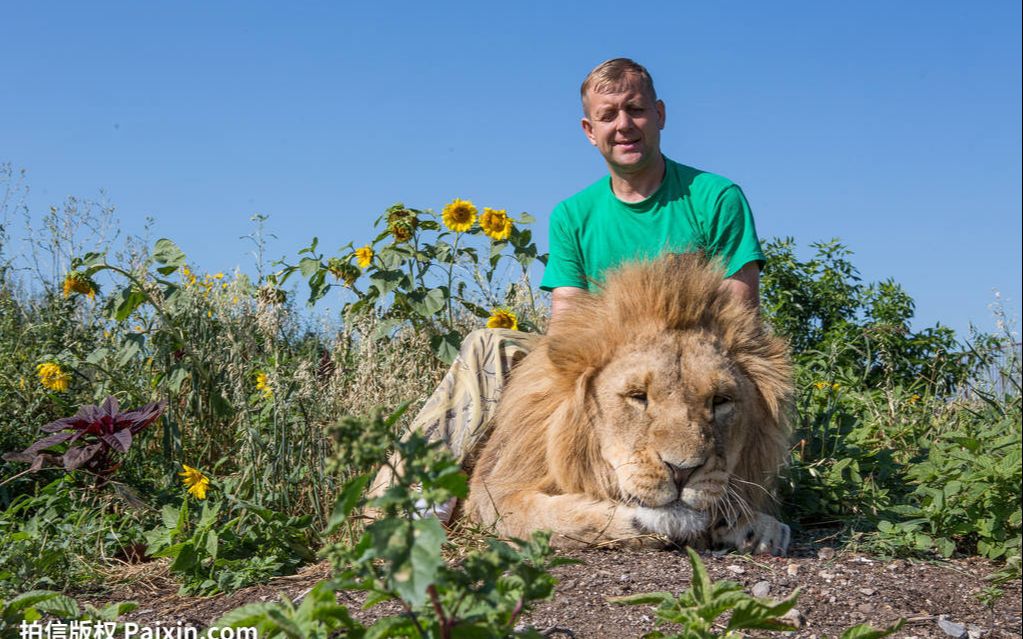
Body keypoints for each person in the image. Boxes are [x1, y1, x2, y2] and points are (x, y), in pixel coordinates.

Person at [369, 58, 765, 517]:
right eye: (608, 115)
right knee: (487, 344)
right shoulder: (574, 215)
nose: (624, 125)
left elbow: (739, 323)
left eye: (635, 110)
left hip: (689, 365)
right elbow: (567, 328)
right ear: (588, 130)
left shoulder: (714, 197)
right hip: (606, 359)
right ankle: (406, 498)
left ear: (659, 114)